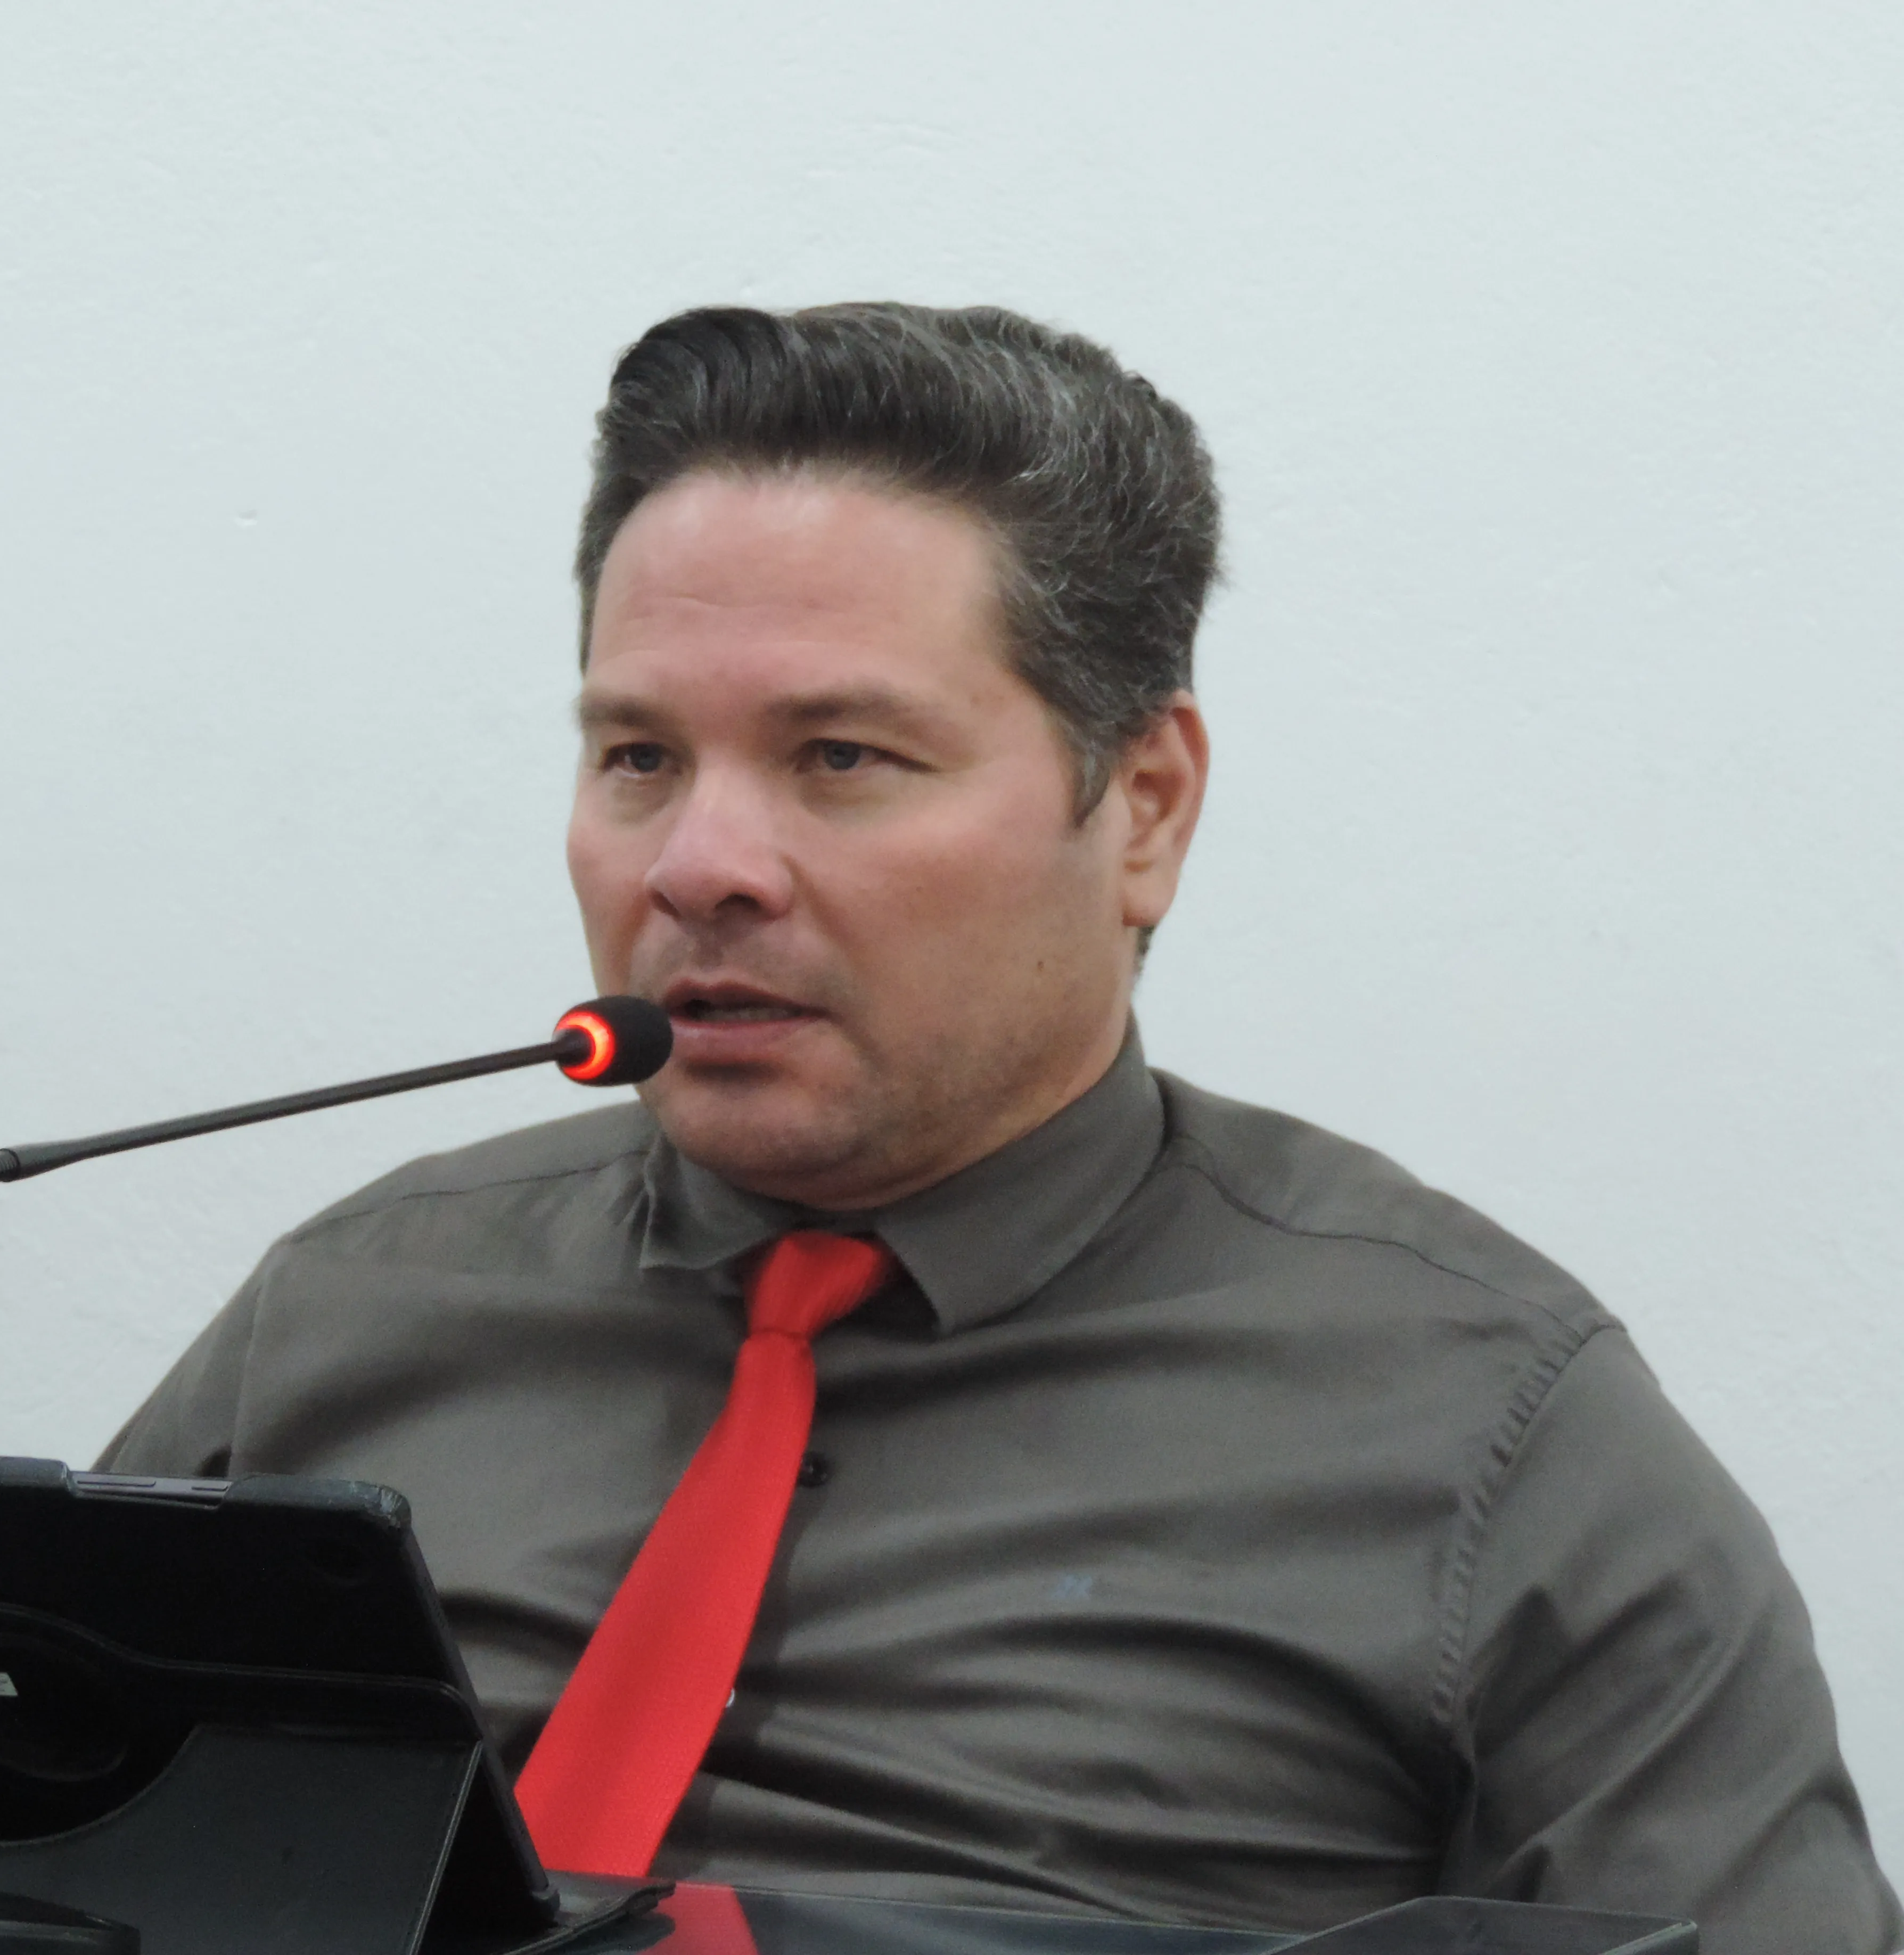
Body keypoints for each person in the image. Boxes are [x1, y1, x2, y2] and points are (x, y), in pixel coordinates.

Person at [100, 303, 1899, 1951]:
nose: (702, 866)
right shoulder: (352, 1309)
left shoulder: (1486, 1421)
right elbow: (0, 1846)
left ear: (1146, 808)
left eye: (842, 758)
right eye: (640, 757)